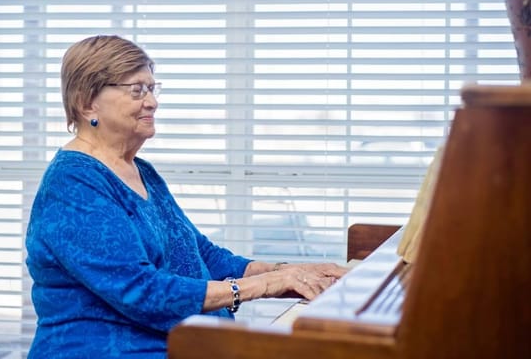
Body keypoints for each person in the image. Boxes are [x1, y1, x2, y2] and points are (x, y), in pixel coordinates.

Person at [25, 34, 348, 358]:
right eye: (137, 90)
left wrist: (291, 273)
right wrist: (265, 285)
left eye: (152, 89)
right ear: (87, 103)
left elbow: (203, 256)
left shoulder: (141, 171)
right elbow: (140, 291)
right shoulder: (72, 183)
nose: (152, 102)